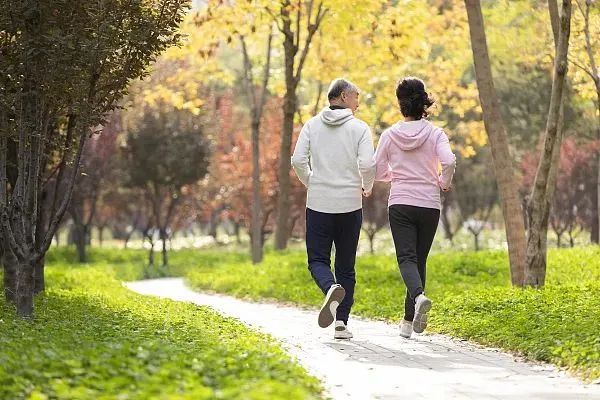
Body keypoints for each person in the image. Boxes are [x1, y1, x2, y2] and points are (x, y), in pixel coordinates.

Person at [291, 78, 376, 339]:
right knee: (346, 266)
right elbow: (368, 164)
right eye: (355, 96)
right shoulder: (360, 129)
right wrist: (367, 186)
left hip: (319, 203)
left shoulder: (312, 126)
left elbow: (297, 160)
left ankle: (329, 287)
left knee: (317, 260)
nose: (358, 103)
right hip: (350, 204)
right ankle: (341, 324)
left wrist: (312, 182)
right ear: (341, 97)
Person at [374, 77, 456, 339]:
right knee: (419, 260)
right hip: (429, 204)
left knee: (406, 259)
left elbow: (376, 169)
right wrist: (443, 182)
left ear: (400, 104)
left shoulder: (389, 135)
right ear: (424, 102)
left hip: (401, 201)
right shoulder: (435, 133)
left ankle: (419, 298)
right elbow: (449, 161)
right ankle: (409, 322)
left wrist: (392, 175)